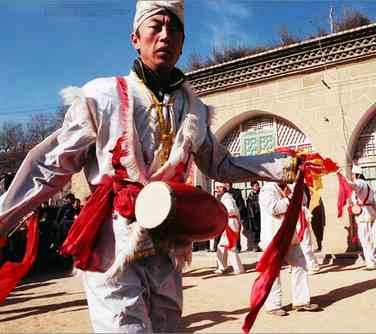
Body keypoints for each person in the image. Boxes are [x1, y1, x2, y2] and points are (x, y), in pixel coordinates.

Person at [0, 1, 300, 332]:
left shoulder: (195, 109)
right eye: (155, 27)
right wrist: (4, 218)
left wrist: (287, 164)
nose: (165, 36)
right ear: (135, 39)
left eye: (174, 30)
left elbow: (221, 164)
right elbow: (49, 164)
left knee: (167, 326)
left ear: (183, 43)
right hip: (113, 242)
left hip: (168, 242)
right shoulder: (103, 96)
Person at [259, 182, 319, 316]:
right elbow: (274, 208)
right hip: (274, 236)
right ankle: (273, 305)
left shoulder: (289, 187)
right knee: (273, 272)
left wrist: (295, 190)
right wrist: (290, 199)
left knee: (300, 264)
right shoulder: (267, 189)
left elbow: (302, 201)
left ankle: (301, 301)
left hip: (290, 235)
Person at [347, 165, 376, 270]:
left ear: (356, 174)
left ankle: (372, 262)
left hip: (364, 213)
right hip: (369, 211)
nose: (352, 176)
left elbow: (353, 186)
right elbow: (374, 203)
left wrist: (342, 178)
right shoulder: (368, 185)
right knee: (366, 237)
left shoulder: (360, 183)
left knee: (365, 238)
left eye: (353, 175)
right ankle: (375, 255)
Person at [214, 183, 245, 275]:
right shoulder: (227, 197)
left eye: (219, 187)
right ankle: (223, 267)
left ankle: (237, 268)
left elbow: (230, 210)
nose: (217, 189)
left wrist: (220, 213)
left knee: (230, 246)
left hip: (230, 223)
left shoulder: (227, 198)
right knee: (223, 246)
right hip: (230, 223)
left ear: (223, 188)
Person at [246, 181, 261, 251]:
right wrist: (252, 217)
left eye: (257, 185)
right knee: (255, 231)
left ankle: (261, 245)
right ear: (252, 187)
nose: (257, 187)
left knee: (261, 230)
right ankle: (256, 246)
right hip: (254, 216)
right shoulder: (250, 196)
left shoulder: (261, 194)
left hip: (261, 215)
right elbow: (249, 207)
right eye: (255, 186)